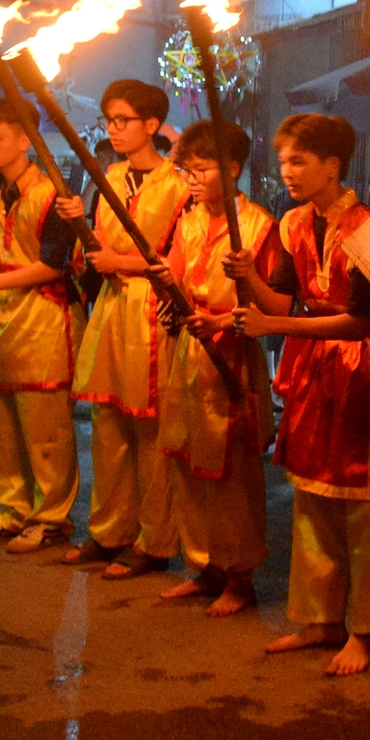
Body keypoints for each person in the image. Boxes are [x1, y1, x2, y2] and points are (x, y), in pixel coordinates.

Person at [231, 113, 370, 677]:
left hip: (366, 373)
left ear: (333, 166)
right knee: (312, 499)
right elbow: (284, 302)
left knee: (364, 506)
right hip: (313, 371)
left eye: (299, 161)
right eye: (283, 161)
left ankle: (362, 631)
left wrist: (274, 328)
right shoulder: (292, 224)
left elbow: (361, 322)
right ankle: (318, 620)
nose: (287, 171)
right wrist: (249, 282)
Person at [53, 79, 188, 577]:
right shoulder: (105, 175)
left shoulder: (177, 183)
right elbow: (97, 246)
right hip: (111, 308)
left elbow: (177, 255)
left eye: (124, 120)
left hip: (151, 314)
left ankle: (154, 542)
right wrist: (79, 223)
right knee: (107, 426)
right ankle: (108, 532)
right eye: (109, 120)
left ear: (151, 126)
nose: (113, 129)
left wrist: (122, 261)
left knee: (150, 432)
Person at [147, 121, 281, 618]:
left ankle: (239, 576)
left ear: (232, 170)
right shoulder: (188, 220)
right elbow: (179, 283)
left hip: (232, 357)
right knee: (186, 463)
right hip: (190, 355)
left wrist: (222, 320)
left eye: (200, 170)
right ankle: (204, 566)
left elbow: (268, 306)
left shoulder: (260, 227)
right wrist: (165, 286)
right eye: (186, 170)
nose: (191, 180)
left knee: (232, 475)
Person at [0, 98, 85, 555]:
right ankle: (12, 509)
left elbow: (50, 265)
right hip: (4, 317)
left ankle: (51, 518)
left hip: (45, 317)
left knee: (47, 429)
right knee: (3, 427)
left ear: (26, 141)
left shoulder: (54, 195)